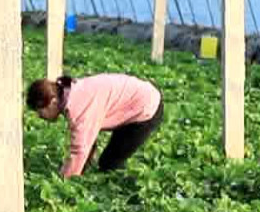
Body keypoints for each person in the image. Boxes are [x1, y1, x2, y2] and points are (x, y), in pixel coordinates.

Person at [27, 74, 163, 178]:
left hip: (146, 107)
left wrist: (63, 182)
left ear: (52, 102)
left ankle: (120, 197)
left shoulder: (79, 107)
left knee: (110, 164)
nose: (40, 116)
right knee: (108, 160)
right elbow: (88, 143)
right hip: (136, 100)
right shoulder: (72, 92)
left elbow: (79, 151)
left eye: (40, 111)